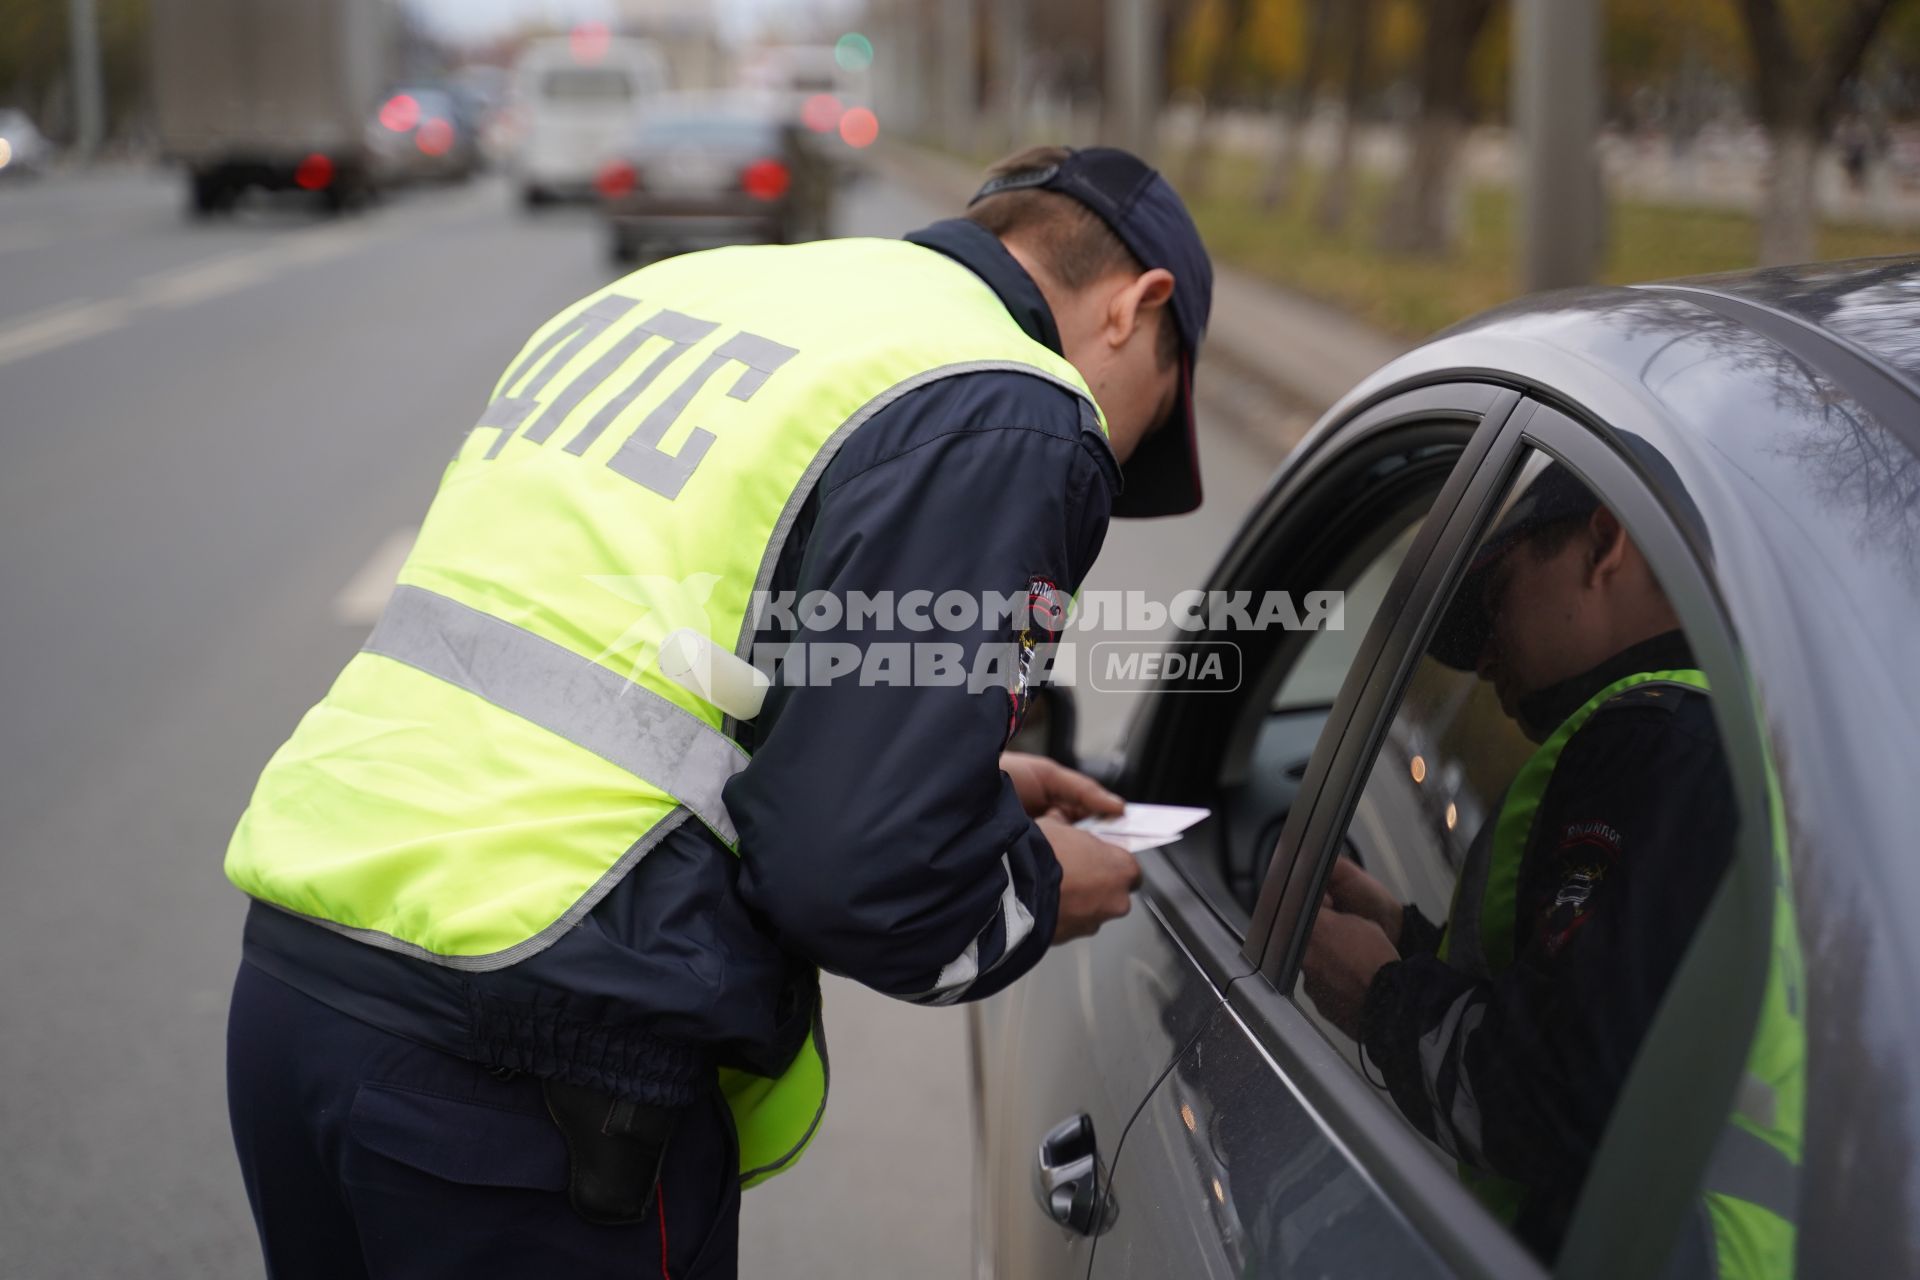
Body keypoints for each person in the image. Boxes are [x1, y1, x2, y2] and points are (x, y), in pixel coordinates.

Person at [222, 144, 1213, 1278]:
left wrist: (965, 792)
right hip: (533, 1069)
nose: (1120, 452)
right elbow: (864, 875)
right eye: (1157, 418)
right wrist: (1034, 888)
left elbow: (660, 660)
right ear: (1141, 308)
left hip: (302, 978)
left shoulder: (690, 295)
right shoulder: (1014, 402)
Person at [1301, 464, 1741, 1262]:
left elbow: (1561, 1093)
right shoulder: (1709, 739)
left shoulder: (1655, 745)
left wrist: (1379, 998)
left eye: (1497, 597)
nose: (1483, 663)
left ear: (1604, 542)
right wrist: (1406, 935)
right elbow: (1605, 1009)